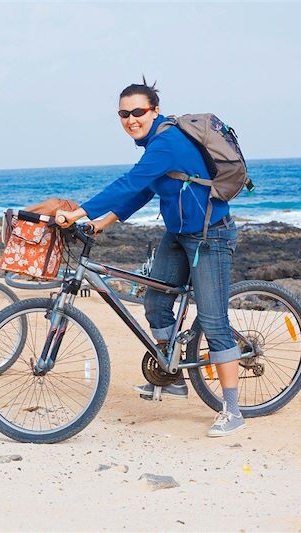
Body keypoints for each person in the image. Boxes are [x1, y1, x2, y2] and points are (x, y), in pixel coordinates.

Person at [55, 80, 245, 437]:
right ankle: (172, 375)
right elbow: (143, 190)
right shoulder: (155, 145)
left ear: (154, 111)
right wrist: (103, 222)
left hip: (210, 234)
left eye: (138, 112)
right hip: (179, 233)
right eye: (124, 114)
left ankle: (232, 410)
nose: (131, 119)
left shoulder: (168, 140)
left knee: (213, 320)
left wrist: (79, 212)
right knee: (156, 301)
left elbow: (130, 182)